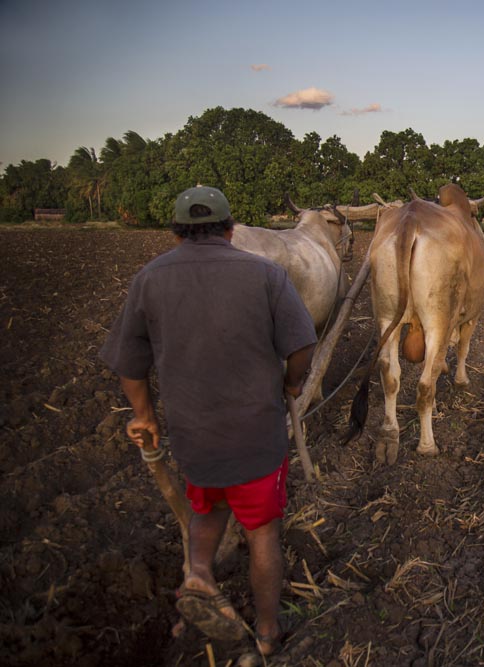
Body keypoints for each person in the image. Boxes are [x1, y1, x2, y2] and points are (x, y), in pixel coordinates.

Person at [100, 186, 317, 657]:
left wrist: (144, 417)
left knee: (206, 510)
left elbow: (128, 362)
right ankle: (265, 630)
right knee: (262, 532)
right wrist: (293, 384)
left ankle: (198, 577)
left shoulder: (150, 279)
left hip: (193, 438)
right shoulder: (266, 274)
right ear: (230, 228)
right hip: (256, 437)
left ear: (176, 231)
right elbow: (302, 343)